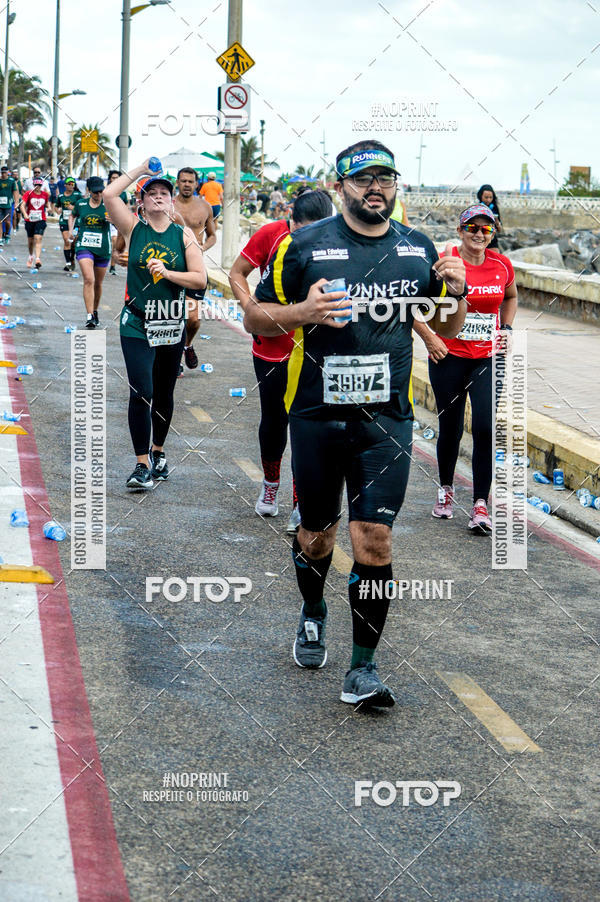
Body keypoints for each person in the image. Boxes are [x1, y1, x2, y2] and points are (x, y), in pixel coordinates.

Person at [244, 140, 466, 708]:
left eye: (386, 179)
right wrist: (301, 314)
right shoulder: (304, 246)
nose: (376, 188)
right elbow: (254, 317)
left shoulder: (416, 248)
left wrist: (458, 291)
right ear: (341, 186)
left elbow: (449, 315)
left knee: (374, 537)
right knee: (318, 533)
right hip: (317, 413)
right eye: (364, 179)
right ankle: (313, 609)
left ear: (396, 187)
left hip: (387, 419)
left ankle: (362, 669)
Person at [230, 190, 333, 535]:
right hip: (272, 344)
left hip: (313, 346)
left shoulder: (333, 243)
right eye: (305, 231)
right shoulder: (271, 234)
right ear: (292, 219)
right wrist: (251, 309)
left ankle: (301, 504)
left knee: (309, 423)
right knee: (275, 418)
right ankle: (271, 482)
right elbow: (237, 273)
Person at [413, 204, 517, 532]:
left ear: (493, 233)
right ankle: (445, 489)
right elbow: (415, 306)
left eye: (486, 229)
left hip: (486, 358)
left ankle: (480, 504)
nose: (478, 234)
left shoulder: (502, 265)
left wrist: (507, 327)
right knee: (452, 427)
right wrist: (431, 339)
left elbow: (511, 297)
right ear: (461, 231)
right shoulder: (446, 263)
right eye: (472, 227)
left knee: (486, 428)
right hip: (449, 356)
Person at [103, 160, 206, 490]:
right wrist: (142, 170)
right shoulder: (133, 229)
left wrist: (168, 273)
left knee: (163, 392)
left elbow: (200, 279)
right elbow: (108, 194)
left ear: (172, 201)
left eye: (164, 192)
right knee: (141, 391)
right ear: (142, 202)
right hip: (135, 322)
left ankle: (159, 452)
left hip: (171, 323)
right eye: (152, 192)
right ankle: (141, 464)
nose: (158, 196)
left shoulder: (183, 235)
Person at [173, 167, 216, 370]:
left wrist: (202, 248)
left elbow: (213, 235)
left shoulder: (205, 207)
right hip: (170, 266)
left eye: (191, 181)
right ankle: (174, 359)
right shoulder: (167, 205)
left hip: (194, 268)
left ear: (197, 184)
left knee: (193, 319)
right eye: (183, 181)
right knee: (171, 314)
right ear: (177, 182)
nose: (187, 184)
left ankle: (187, 345)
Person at [69, 176, 111, 328]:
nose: (98, 194)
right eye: (95, 192)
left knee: (98, 283)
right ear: (88, 191)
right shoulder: (81, 204)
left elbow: (121, 222)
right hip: (84, 245)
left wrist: (113, 220)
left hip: (103, 248)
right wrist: (71, 231)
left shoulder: (109, 205)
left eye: (101, 191)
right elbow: (72, 215)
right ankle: (89, 315)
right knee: (89, 279)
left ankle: (95, 310)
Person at [21, 176, 50, 268]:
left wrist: (49, 208)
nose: (37, 186)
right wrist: (25, 214)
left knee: (38, 238)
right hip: (30, 219)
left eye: (39, 185)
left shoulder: (45, 194)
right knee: (30, 241)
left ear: (41, 185)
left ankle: (38, 259)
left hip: (41, 219)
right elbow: (22, 205)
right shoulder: (28, 194)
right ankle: (31, 256)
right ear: (33, 185)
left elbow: (47, 204)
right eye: (35, 185)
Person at [55, 177, 82, 270]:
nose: (71, 186)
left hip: (75, 222)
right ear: (65, 185)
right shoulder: (61, 196)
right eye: (69, 184)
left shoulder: (78, 195)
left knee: (73, 243)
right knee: (67, 240)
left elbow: (81, 208)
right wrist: (57, 210)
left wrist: (73, 208)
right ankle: (68, 263)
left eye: (72, 184)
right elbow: (57, 206)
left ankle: (72, 259)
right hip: (64, 221)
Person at [107, 170, 129, 274]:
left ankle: (112, 266)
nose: (115, 180)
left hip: (117, 223)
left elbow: (126, 209)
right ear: (109, 179)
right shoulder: (105, 192)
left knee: (115, 242)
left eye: (117, 178)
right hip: (105, 222)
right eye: (113, 178)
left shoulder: (124, 194)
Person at [477, 184, 502, 249]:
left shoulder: (494, 208)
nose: (488, 200)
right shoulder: (476, 209)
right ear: (481, 196)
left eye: (490, 197)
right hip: (480, 239)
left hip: (492, 240)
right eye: (486, 197)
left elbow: (499, 230)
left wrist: (497, 223)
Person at [0, 165, 20, 244]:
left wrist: (16, 202)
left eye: (5, 173)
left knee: (8, 222)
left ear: (7, 173)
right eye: (2, 173)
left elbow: (15, 192)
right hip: (0, 205)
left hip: (8, 205)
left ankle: (7, 234)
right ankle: (1, 238)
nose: (4, 174)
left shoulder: (11, 181)